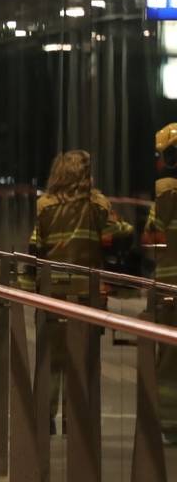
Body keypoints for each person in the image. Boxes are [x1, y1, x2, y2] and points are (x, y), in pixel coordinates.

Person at [24, 149, 131, 433]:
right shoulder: (97, 204)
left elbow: (34, 247)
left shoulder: (44, 205)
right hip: (87, 297)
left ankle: (45, 419)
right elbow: (121, 232)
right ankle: (76, 420)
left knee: (50, 360)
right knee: (82, 362)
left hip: (51, 295)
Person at [145, 124, 177, 443]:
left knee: (169, 356)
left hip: (171, 285)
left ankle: (169, 425)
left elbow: (151, 237)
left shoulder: (165, 191)